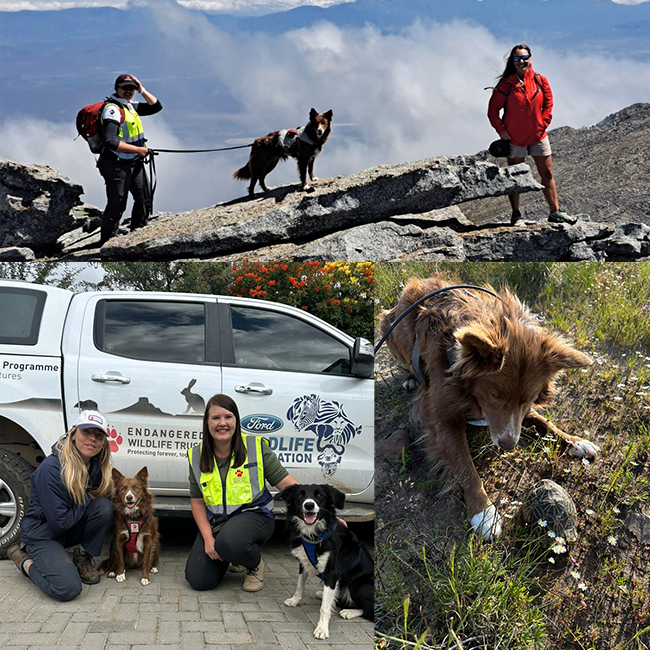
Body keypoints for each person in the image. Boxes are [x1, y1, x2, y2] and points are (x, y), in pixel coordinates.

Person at [185, 394, 299, 593]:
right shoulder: (197, 455)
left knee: (231, 542)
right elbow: (197, 502)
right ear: (206, 423)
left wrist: (321, 511)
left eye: (228, 417)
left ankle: (254, 564)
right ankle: (234, 555)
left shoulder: (255, 448)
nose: (222, 423)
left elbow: (289, 486)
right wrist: (208, 539)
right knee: (199, 580)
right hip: (219, 524)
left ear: (236, 420)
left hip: (255, 517)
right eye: (215, 418)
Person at [5, 410, 114, 602]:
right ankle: (24, 561)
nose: (92, 439)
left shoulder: (95, 466)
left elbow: (94, 504)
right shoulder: (52, 469)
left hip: (67, 529)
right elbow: (60, 523)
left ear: (104, 442)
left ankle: (82, 557)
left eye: (98, 435)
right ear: (73, 435)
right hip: (43, 534)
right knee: (67, 588)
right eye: (86, 432)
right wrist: (88, 497)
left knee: (104, 507)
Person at [488, 44, 575, 225]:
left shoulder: (540, 80)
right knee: (516, 176)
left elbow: (548, 104)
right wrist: (502, 131)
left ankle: (555, 212)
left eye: (525, 57)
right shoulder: (505, 85)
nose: (522, 61)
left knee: (547, 174)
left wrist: (542, 124)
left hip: (538, 136)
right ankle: (516, 214)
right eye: (517, 58)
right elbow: (493, 110)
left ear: (530, 59)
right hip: (515, 139)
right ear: (512, 62)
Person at [98, 73, 162, 244]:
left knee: (144, 198)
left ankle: (137, 236)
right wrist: (138, 150)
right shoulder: (112, 110)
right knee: (117, 204)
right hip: (116, 164)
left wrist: (142, 89)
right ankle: (107, 243)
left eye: (131, 88)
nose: (128, 91)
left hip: (133, 161)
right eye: (124, 88)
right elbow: (110, 141)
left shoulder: (130, 106)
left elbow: (156, 107)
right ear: (116, 88)